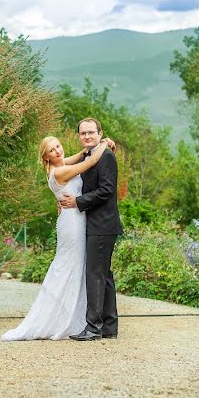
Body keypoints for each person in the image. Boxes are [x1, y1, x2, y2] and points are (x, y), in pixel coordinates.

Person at [1, 135, 109, 341]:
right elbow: (90, 161)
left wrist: (90, 147)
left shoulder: (58, 165)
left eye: (58, 146)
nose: (58, 151)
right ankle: (62, 319)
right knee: (69, 266)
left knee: (72, 266)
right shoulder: (60, 171)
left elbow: (80, 155)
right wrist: (104, 143)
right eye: (52, 150)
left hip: (72, 218)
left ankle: (72, 316)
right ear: (46, 157)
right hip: (73, 223)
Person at [60, 118, 123, 341]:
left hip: (102, 224)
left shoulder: (105, 156)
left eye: (91, 133)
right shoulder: (88, 156)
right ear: (79, 136)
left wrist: (77, 201)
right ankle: (109, 327)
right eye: (83, 133)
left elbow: (107, 190)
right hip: (96, 224)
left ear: (100, 134)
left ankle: (93, 327)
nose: (87, 136)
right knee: (103, 275)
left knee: (95, 275)